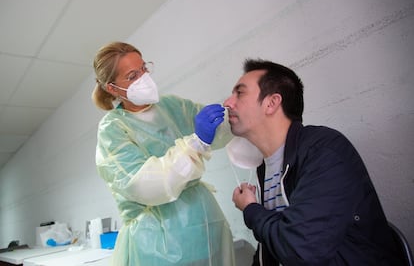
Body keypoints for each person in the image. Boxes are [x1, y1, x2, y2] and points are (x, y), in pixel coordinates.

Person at [225, 58, 404, 265]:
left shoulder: (325, 151)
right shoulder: (267, 167)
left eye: (240, 93)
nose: (227, 102)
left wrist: (251, 208)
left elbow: (300, 250)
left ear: (272, 103)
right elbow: (272, 244)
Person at [92, 41, 235, 266]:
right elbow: (144, 185)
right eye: (132, 76)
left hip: (205, 224)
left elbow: (218, 131)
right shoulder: (113, 129)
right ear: (112, 88)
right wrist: (196, 144)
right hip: (157, 243)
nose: (143, 78)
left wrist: (236, 117)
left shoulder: (172, 106)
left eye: (144, 69)